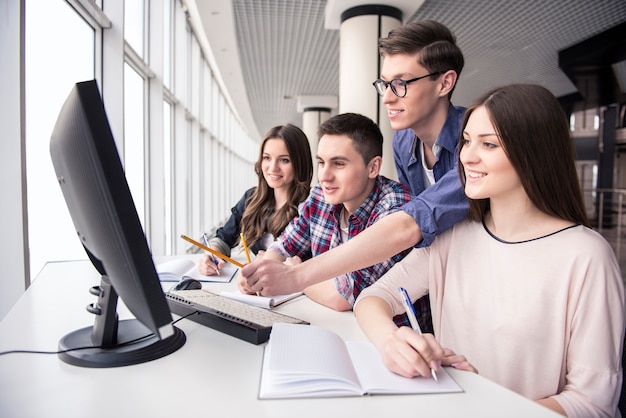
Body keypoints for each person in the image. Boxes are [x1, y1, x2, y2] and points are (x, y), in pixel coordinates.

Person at [353, 84, 625, 417]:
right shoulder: (453, 236)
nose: (466, 156)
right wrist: (391, 341)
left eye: (489, 144)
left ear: (534, 152)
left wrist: (486, 409)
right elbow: (373, 298)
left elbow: (592, 402)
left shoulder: (586, 256)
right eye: (466, 140)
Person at [242, 20, 467, 333]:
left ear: (444, 83)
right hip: (432, 276)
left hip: (477, 277)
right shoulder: (403, 141)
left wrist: (296, 275)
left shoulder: (473, 142)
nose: (388, 97)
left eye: (401, 83)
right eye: (385, 84)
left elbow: (411, 221)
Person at [239, 113, 411, 312]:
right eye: (321, 162)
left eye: (338, 164)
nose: (324, 176)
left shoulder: (394, 208)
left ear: (373, 167)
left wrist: (290, 273)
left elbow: (342, 297)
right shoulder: (320, 197)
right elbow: (284, 246)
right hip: (332, 325)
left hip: (388, 336)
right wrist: (259, 276)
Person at [198, 124, 313, 276]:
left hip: (299, 294)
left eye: (284, 160)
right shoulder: (251, 198)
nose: (273, 168)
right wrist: (211, 255)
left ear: (300, 163)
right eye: (267, 158)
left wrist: (273, 262)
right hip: (257, 290)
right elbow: (224, 238)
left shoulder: (313, 206)